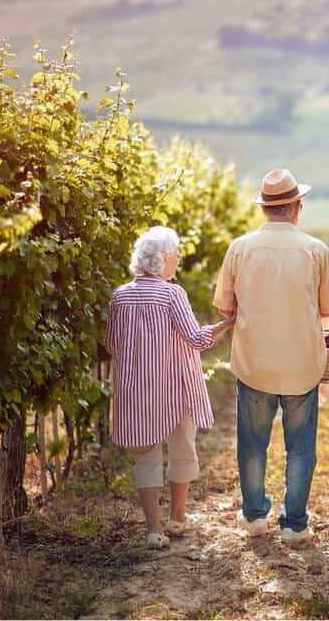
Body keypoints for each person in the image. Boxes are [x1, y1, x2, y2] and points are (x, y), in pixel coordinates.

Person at [214, 168, 329, 545]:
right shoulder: (315, 250)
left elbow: (225, 308)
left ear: (264, 209)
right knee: (301, 448)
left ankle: (255, 516)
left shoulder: (239, 248)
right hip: (301, 365)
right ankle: (294, 525)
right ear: (296, 208)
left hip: (254, 364)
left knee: (252, 444)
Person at [106, 226, 234, 549]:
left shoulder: (119, 297)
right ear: (163, 259)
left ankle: (153, 530)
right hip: (175, 386)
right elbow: (195, 339)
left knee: (146, 459)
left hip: (135, 390)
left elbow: (111, 344)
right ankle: (178, 519)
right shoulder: (172, 294)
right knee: (182, 450)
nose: (177, 260)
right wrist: (225, 325)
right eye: (174, 254)